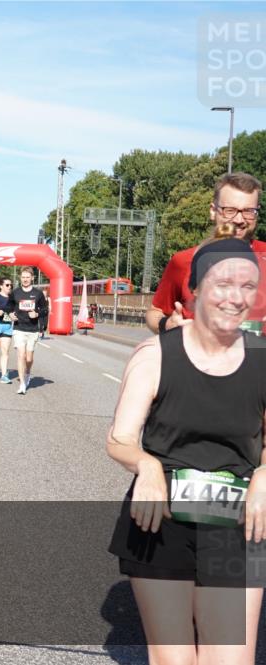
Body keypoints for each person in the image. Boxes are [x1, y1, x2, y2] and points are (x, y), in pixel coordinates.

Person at [107, 227, 265, 665]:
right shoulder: (154, 355)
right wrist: (148, 467)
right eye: (223, 285)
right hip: (161, 521)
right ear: (194, 290)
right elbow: (120, 439)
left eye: (247, 286)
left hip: (237, 525)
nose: (236, 297)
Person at [146, 172, 265, 336]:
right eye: (229, 210)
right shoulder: (183, 261)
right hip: (197, 360)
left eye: (248, 211)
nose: (239, 219)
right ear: (213, 211)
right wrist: (166, 324)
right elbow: (154, 312)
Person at [8, 267, 48, 395]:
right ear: (20, 278)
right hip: (19, 328)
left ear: (32, 278)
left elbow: (45, 309)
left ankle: (28, 373)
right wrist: (10, 314)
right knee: (21, 355)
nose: (25, 279)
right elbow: (8, 306)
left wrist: (37, 314)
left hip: (32, 329)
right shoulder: (15, 293)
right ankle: (22, 384)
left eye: (27, 277)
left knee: (29, 358)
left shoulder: (38, 293)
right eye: (23, 277)